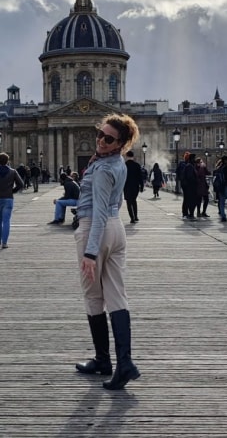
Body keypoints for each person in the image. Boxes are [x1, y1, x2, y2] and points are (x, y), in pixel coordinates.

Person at [73, 113, 141, 390]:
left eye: (108, 138)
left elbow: (98, 211)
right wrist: (97, 159)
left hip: (95, 229)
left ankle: (103, 360)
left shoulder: (101, 169)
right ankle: (125, 362)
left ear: (121, 142)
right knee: (117, 296)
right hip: (117, 229)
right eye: (99, 134)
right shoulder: (117, 163)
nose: (101, 140)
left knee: (93, 296)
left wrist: (90, 252)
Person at [123, 150, 144, 223]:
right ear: (133, 156)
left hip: (126, 186)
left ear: (126, 156)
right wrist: (142, 186)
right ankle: (136, 216)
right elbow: (140, 177)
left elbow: (121, 177)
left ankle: (132, 218)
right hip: (135, 186)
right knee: (134, 201)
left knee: (129, 202)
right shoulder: (137, 165)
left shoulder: (124, 165)